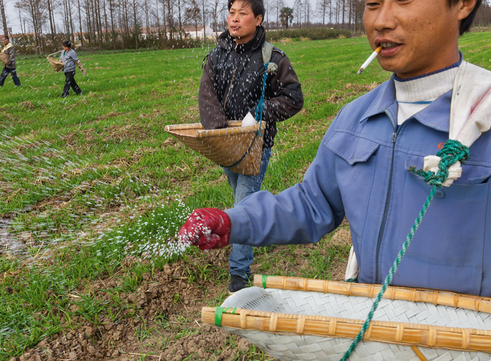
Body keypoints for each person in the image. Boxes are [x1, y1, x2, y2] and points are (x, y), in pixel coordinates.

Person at [179, 0, 491, 297]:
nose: (381, 21)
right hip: (374, 331)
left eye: (403, 0)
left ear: (462, 4)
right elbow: (313, 203)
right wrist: (235, 222)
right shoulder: (355, 119)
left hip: (464, 343)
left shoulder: (483, 115)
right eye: (372, 4)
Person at [198, 0, 303, 293]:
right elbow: (206, 95)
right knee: (240, 202)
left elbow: (294, 98)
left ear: (257, 19)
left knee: (243, 205)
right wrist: (219, 129)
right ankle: (252, 230)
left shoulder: (272, 58)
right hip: (226, 145)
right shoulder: (217, 56)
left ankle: (239, 271)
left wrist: (261, 113)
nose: (234, 19)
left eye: (242, 14)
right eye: (231, 13)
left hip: (256, 145)